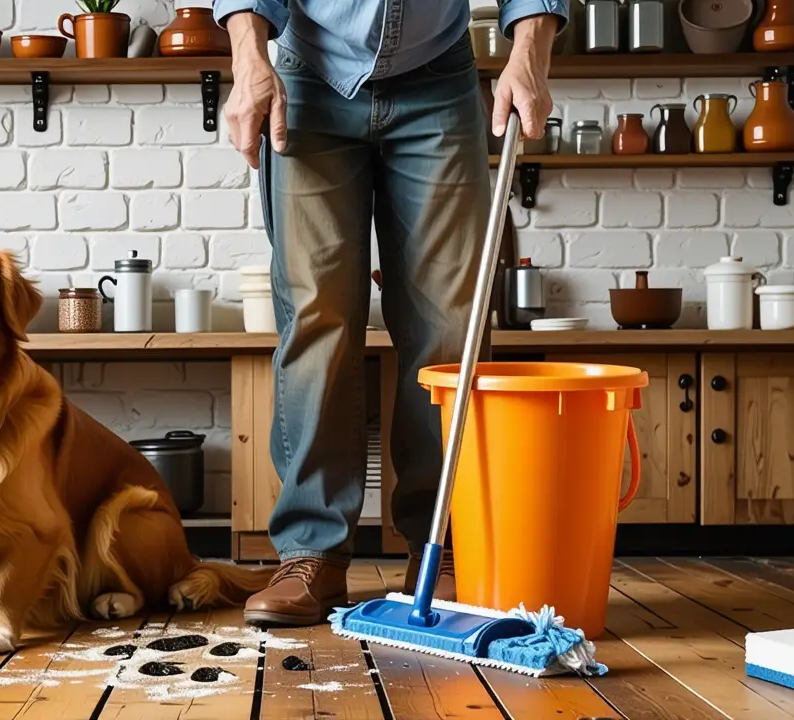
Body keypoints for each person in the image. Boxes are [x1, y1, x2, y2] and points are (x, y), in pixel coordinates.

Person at [214, 0, 569, 626]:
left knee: (449, 327)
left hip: (438, 77)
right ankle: (312, 553)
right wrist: (250, 59)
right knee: (319, 318)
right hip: (306, 76)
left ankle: (448, 543)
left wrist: (529, 52)